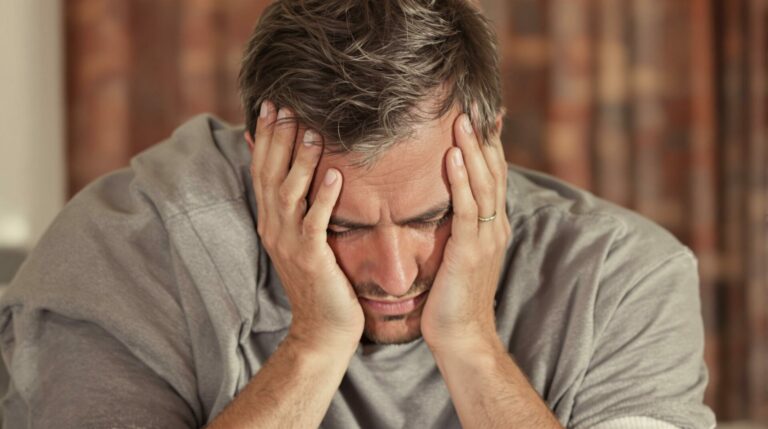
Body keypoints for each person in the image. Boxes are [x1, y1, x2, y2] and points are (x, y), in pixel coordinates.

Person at [0, 0, 716, 428]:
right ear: (262, 161)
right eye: (340, 225)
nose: (394, 274)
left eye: (430, 217)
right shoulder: (123, 251)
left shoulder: (626, 277)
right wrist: (314, 343)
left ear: (489, 144)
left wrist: (469, 343)